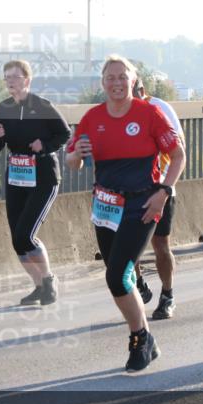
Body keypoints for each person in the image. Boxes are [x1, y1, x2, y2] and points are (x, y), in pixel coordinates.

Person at [65, 55, 185, 372]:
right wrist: (76, 154)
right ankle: (145, 336)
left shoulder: (149, 113)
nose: (117, 83)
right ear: (102, 83)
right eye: (110, 78)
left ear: (133, 81)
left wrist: (164, 192)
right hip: (105, 205)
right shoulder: (92, 118)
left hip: (142, 204)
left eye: (122, 77)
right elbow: (71, 162)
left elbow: (178, 155)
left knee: (117, 275)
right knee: (121, 275)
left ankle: (139, 339)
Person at [0, 60, 71, 305]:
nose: (10, 81)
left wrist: (43, 146)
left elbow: (65, 134)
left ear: (27, 79)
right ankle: (39, 287)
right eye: (7, 77)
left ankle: (48, 280)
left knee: (26, 234)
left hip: (43, 177)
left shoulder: (42, 106)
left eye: (15, 76)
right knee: (17, 239)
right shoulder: (2, 108)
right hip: (16, 177)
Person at [131, 78, 186, 319]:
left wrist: (166, 187)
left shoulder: (159, 108)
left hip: (159, 186)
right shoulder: (116, 112)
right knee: (125, 247)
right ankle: (140, 285)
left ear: (141, 91)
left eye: (131, 95)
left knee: (160, 245)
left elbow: (178, 148)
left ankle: (167, 294)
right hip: (129, 189)